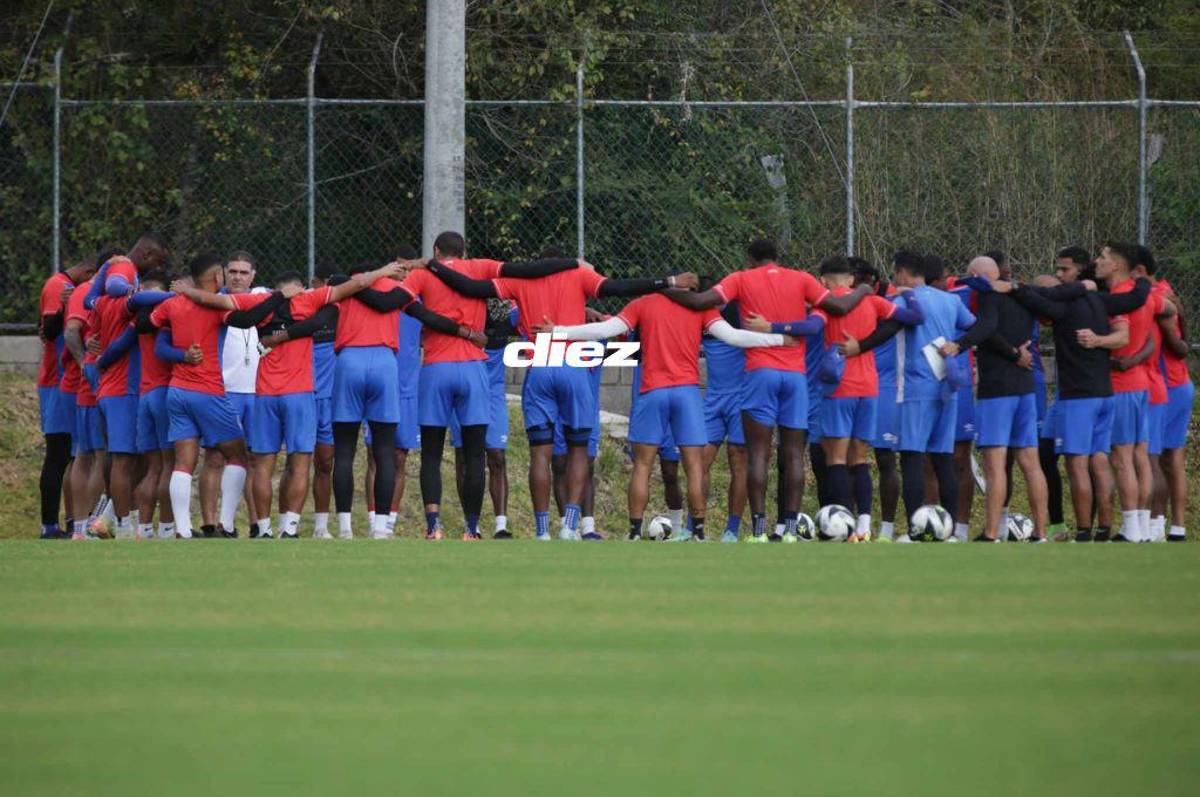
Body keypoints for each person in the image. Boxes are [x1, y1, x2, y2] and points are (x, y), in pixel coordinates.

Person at [423, 238, 697, 541]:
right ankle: (569, 525)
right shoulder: (579, 275)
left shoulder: (520, 280)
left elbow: (469, 288)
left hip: (540, 366)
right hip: (573, 365)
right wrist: (668, 281)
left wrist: (432, 265)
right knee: (579, 449)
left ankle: (542, 532)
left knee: (540, 453)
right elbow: (619, 287)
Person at [541, 289, 790, 542]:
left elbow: (603, 330)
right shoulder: (699, 307)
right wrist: (780, 339)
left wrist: (559, 331)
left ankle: (635, 532)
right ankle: (699, 533)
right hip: (686, 393)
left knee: (642, 465)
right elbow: (735, 337)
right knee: (694, 467)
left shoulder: (643, 303)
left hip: (652, 392)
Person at [663, 239, 869, 543]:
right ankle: (787, 529)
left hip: (760, 373)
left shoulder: (741, 278)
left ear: (750, 259)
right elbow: (838, 306)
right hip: (795, 377)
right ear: (777, 257)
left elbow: (699, 302)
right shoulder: (801, 278)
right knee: (794, 455)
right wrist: (864, 288)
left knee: (758, 454)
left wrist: (659, 288)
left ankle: (759, 530)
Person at [180, 268, 393, 538]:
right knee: (301, 462)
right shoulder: (310, 299)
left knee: (262, 465)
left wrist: (187, 291)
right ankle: (289, 528)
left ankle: (263, 529)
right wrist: (385, 271)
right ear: (300, 288)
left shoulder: (260, 302)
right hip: (299, 393)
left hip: (265, 394)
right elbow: (358, 283)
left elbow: (218, 302)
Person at [751, 254, 924, 541]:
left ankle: (843, 524)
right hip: (869, 388)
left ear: (823, 281)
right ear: (852, 279)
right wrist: (910, 295)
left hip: (839, 389)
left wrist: (773, 327)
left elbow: (810, 328)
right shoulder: (872, 301)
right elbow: (915, 318)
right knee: (861, 459)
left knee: (836, 459)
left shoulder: (827, 305)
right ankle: (865, 527)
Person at [994, 255, 1151, 542]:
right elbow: (1135, 299)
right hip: (1105, 394)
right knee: (1099, 462)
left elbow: (1037, 297)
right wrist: (1142, 278)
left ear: (1077, 273)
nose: (1059, 274)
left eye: (1063, 270)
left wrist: (1014, 287)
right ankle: (1103, 527)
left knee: (1077, 464)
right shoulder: (1101, 301)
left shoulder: (1063, 307)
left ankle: (1082, 530)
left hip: (1078, 397)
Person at [841, 250, 976, 542]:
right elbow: (975, 325)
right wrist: (959, 345)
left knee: (912, 457)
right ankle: (950, 531)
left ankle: (917, 530)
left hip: (916, 387)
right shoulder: (951, 300)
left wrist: (858, 347)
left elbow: (888, 329)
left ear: (903, 272)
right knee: (943, 458)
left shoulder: (904, 301)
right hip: (947, 387)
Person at [150, 253, 255, 539]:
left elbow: (152, 321)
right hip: (208, 391)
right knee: (238, 454)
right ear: (217, 278)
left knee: (184, 461)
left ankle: (183, 530)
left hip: (177, 390)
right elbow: (244, 315)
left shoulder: (172, 305)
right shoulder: (217, 307)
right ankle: (227, 524)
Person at [949, 257, 1048, 542]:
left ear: (980, 276)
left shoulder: (988, 296)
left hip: (998, 389)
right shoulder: (1025, 296)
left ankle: (992, 532)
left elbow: (987, 327)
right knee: (1031, 463)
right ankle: (1041, 533)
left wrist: (961, 344)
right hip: (1025, 387)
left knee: (995, 464)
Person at [88, 238, 171, 540]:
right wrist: (182, 295)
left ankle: (116, 520)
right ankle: (121, 528)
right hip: (123, 389)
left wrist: (104, 271)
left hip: (110, 389)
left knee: (127, 459)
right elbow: (124, 294)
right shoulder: (125, 297)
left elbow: (92, 298)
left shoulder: (98, 301)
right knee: (123, 461)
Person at [95, 270, 187, 539]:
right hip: (161, 393)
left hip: (144, 396)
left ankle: (141, 528)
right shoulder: (169, 318)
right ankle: (167, 529)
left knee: (151, 467)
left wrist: (99, 361)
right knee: (169, 465)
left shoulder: (137, 323)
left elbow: (115, 348)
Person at [1092, 242, 1174, 542]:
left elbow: (1120, 334)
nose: (1097, 262)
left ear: (1117, 265)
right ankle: (1139, 524)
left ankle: (1132, 526)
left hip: (1122, 385)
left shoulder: (1119, 297)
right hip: (1142, 384)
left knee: (1122, 457)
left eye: (1102, 257)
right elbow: (1170, 308)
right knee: (1140, 455)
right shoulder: (1147, 297)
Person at [200, 251, 268, 537]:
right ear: (224, 273)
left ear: (253, 275)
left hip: (257, 393)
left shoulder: (264, 300)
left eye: (243, 272)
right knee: (215, 459)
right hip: (223, 392)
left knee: (254, 459)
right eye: (233, 271)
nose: (238, 277)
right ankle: (211, 523)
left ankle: (255, 523)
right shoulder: (213, 303)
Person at [37, 257, 96, 538]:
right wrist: (63, 307)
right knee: (58, 455)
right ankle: (49, 526)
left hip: (73, 385)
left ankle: (74, 522)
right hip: (56, 384)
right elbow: (48, 331)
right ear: (89, 273)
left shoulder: (78, 291)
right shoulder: (58, 285)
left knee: (75, 456)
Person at [698, 293, 749, 543]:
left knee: (738, 462)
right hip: (713, 400)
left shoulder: (743, 309)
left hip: (741, 400)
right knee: (699, 462)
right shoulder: (700, 314)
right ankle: (694, 527)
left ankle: (732, 530)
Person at [1154, 264, 1193, 542]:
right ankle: (1175, 527)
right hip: (1175, 384)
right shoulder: (1166, 292)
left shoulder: (1159, 296)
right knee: (1168, 458)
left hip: (1170, 385)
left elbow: (1180, 346)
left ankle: (1158, 525)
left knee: (1157, 456)